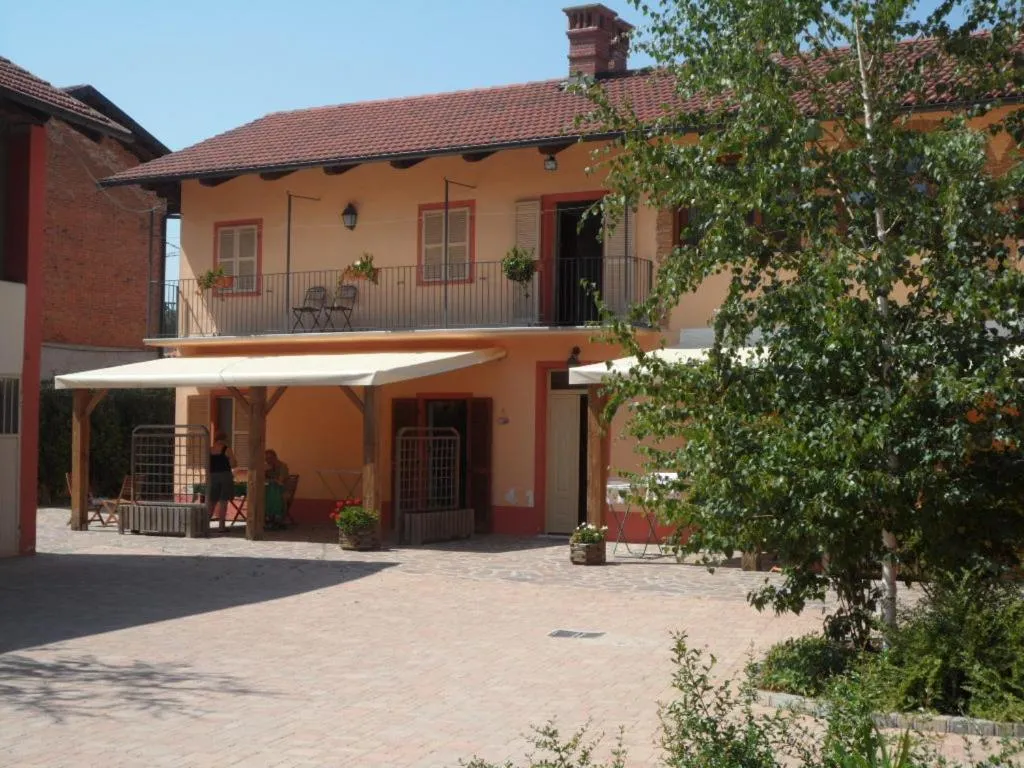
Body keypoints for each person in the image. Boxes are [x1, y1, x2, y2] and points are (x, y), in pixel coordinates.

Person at [208, 432, 238, 530]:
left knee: (212, 501)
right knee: (223, 501)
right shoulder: (226, 449)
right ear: (225, 439)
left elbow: (206, 464)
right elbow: (233, 464)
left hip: (212, 476)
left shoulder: (210, 450)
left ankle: (205, 524)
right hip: (225, 475)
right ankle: (221, 526)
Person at [264, 449, 290, 529]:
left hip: (282, 489)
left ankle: (275, 518)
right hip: (268, 489)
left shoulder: (282, 466)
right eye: (266, 459)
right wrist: (264, 471)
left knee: (273, 494)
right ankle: (267, 519)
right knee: (261, 496)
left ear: (275, 457)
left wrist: (271, 479)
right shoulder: (266, 467)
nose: (268, 460)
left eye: (270, 458)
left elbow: (280, 481)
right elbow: (261, 480)